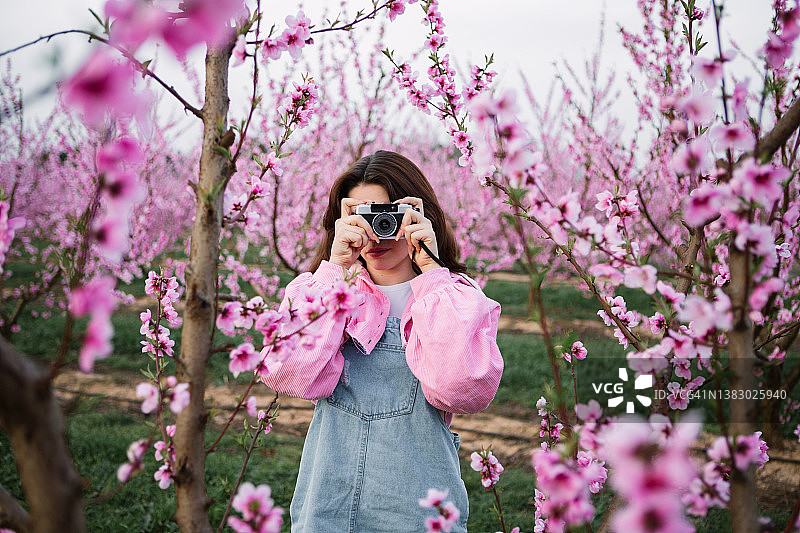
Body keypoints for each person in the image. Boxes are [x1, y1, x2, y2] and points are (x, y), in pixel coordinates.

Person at [261, 150, 503, 532]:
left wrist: (432, 272)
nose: (377, 232)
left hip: (419, 512)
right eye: (363, 217)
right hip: (328, 507)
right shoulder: (327, 293)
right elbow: (288, 374)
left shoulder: (453, 298)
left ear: (419, 217)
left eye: (388, 216)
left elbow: (462, 389)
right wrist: (335, 269)